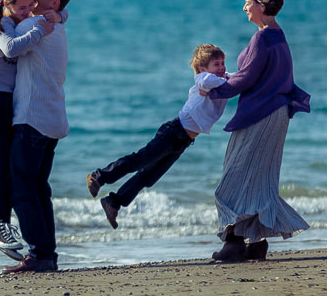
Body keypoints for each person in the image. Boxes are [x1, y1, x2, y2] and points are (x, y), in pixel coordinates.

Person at [205, 0, 311, 263]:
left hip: (262, 115)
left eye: (249, 2)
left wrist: (212, 89)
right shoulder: (278, 35)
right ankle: (257, 242)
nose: (244, 8)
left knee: (234, 178)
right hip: (276, 114)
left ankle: (234, 243)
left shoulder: (262, 38)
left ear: (262, 5)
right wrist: (228, 79)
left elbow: (248, 77)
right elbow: (259, 76)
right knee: (259, 181)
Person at [0, 0, 73, 274]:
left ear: (53, 1)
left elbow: (1, 47)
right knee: (38, 188)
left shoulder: (35, 24)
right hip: (53, 119)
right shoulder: (54, 26)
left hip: (32, 118)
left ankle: (38, 254)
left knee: (22, 188)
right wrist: (61, 16)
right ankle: (46, 254)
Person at [85, 44, 229, 229]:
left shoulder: (220, 79)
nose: (222, 68)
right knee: (139, 161)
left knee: (148, 177)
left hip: (184, 141)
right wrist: (228, 79)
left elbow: (236, 78)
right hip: (174, 131)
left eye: (223, 63)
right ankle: (99, 176)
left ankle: (113, 202)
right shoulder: (204, 79)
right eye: (216, 64)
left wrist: (233, 77)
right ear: (203, 68)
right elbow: (214, 81)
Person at [0, 0, 55, 260]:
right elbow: (8, 48)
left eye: (30, 6)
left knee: (8, 160)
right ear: (7, 4)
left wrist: (56, 15)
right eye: (21, 8)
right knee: (1, 158)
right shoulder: (3, 24)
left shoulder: (19, 20)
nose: (27, 11)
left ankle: (4, 227)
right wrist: (39, 31)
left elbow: (56, 13)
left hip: (5, 95)